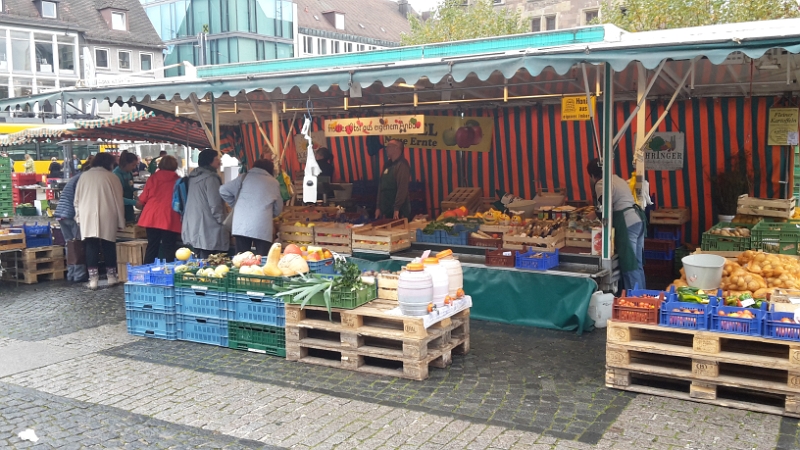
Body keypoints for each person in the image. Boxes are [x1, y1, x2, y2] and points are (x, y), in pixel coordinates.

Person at [586, 158, 647, 291]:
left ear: (591, 175)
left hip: (626, 223)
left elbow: (605, 208)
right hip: (638, 219)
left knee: (629, 263)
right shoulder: (617, 178)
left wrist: (594, 214)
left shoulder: (601, 184)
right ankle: (642, 296)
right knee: (637, 262)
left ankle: (635, 301)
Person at [74, 153, 125, 289]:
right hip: (108, 212)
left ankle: (93, 280)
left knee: (91, 245)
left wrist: (78, 217)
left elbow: (77, 200)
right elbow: (118, 201)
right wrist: (121, 221)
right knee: (109, 244)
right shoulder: (112, 177)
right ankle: (112, 277)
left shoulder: (84, 176)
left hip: (87, 214)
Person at [220, 158, 283, 255]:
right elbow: (278, 208)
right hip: (262, 225)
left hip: (241, 226)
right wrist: (269, 213)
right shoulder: (273, 182)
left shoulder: (243, 177)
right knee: (263, 259)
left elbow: (223, 190)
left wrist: (235, 206)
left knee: (241, 259)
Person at [182, 149, 229, 259]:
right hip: (208, 226)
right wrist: (223, 222)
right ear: (210, 161)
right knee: (209, 261)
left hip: (194, 222)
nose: (220, 162)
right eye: (217, 159)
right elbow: (215, 204)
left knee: (199, 259)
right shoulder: (211, 178)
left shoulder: (193, 177)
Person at [54, 155, 93, 283]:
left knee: (70, 244)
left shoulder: (76, 177)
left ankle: (71, 273)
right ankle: (79, 275)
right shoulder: (83, 179)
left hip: (61, 213)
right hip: (71, 215)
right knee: (77, 245)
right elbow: (80, 199)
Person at [137, 156, 182, 264]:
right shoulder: (178, 181)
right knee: (169, 247)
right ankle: (169, 273)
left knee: (152, 246)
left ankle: (147, 271)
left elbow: (142, 199)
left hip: (152, 215)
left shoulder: (152, 178)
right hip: (170, 216)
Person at [375, 139, 411, 220]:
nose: (386, 149)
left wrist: (397, 208)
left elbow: (402, 188)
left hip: (399, 212)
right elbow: (381, 186)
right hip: (386, 209)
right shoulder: (387, 165)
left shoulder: (402, 165)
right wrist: (378, 207)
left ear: (397, 148)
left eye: (389, 147)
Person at [113, 152, 139, 223]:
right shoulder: (116, 175)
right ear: (125, 163)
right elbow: (116, 198)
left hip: (129, 206)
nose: (134, 168)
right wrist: (135, 202)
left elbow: (130, 187)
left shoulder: (129, 173)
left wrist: (140, 191)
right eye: (133, 165)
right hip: (120, 208)